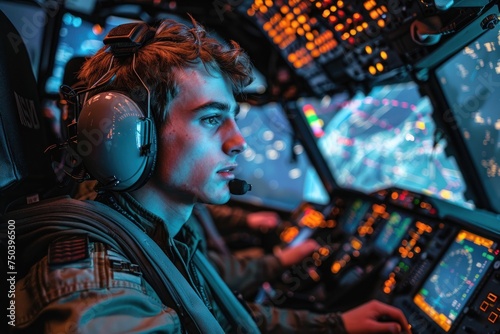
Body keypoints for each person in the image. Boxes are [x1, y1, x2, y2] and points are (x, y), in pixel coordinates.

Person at [11, 17, 411, 333]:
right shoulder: (100, 290)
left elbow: (218, 314)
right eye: (211, 118)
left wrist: (335, 325)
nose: (238, 142)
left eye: (234, 118)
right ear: (132, 135)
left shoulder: (162, 237)